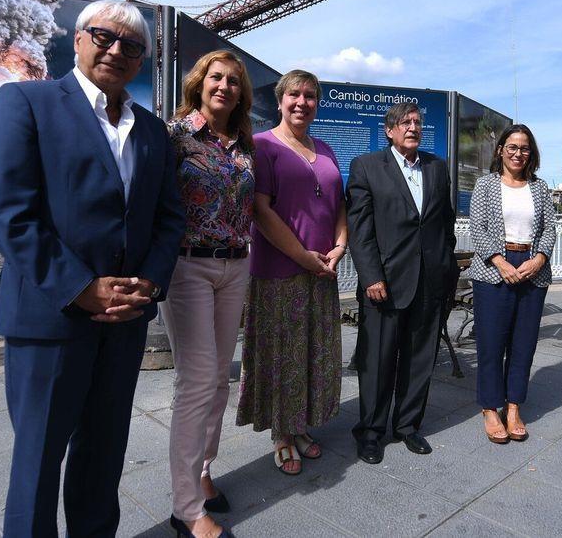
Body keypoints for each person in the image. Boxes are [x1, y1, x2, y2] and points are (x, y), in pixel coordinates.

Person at [0, 0, 187, 536]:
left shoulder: (152, 132)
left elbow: (168, 220)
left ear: (143, 60)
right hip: (51, 318)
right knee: (38, 464)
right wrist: (79, 287)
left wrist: (150, 283)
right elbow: (5, 212)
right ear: (77, 39)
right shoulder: (26, 101)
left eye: (132, 46)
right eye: (104, 37)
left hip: (125, 320)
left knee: (103, 457)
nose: (116, 51)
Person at [161, 49, 256, 538]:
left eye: (234, 81)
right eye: (216, 78)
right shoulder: (174, 137)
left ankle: (202, 470)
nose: (224, 86)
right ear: (198, 84)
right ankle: (186, 509)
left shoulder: (244, 143)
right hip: (188, 267)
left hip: (235, 268)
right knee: (196, 382)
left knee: (219, 379)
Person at [236, 70, 348, 475]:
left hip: (322, 270)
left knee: (313, 354)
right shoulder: (262, 146)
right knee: (282, 354)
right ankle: (282, 433)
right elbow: (261, 211)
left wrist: (339, 247)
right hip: (280, 270)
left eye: (311, 96)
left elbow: (339, 206)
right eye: (295, 95)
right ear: (281, 100)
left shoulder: (327, 149)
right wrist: (304, 256)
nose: (302, 102)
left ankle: (300, 423)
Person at [346, 102, 457, 464]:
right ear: (389, 130)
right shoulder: (366, 167)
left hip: (430, 282)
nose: (412, 127)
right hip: (386, 283)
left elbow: (445, 225)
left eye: (417, 122)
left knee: (420, 358)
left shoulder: (437, 168)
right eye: (404, 122)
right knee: (377, 359)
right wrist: (371, 276)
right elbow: (360, 229)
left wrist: (445, 268)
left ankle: (407, 426)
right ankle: (371, 431)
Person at [465, 124, 556, 444]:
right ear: (501, 150)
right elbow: (478, 228)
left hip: (532, 269)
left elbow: (549, 229)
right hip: (493, 270)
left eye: (525, 148)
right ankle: (491, 407)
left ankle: (514, 406)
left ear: (532, 154)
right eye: (513, 147)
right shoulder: (485, 185)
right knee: (491, 343)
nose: (519, 153)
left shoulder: (540, 187)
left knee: (523, 344)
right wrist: (501, 263)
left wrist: (539, 259)